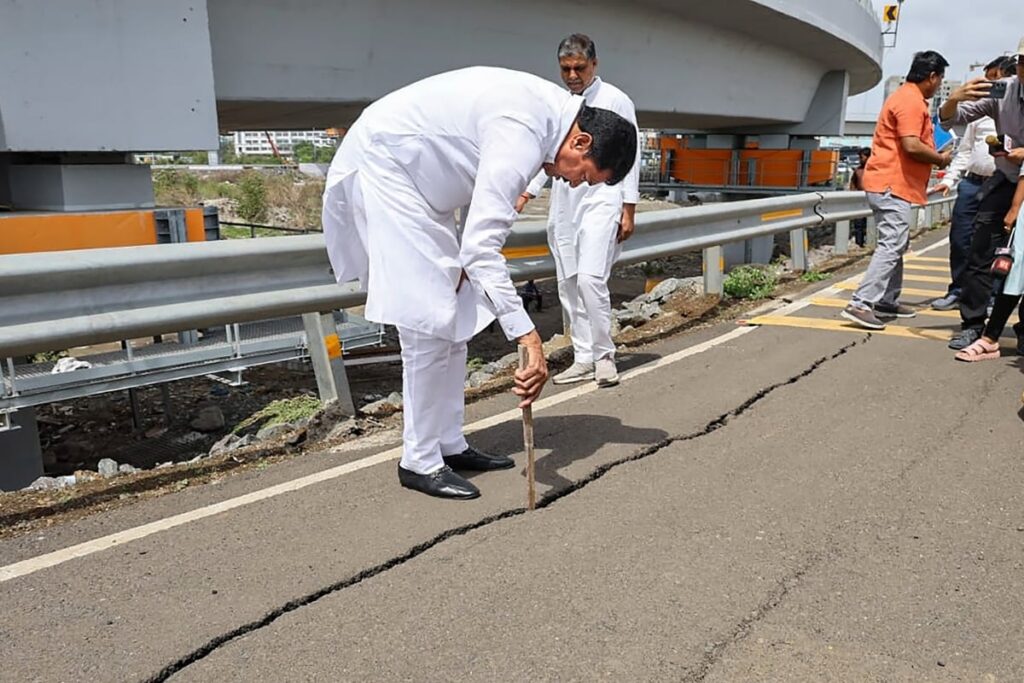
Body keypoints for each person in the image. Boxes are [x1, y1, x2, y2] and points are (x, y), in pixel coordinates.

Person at [321, 67, 637, 500]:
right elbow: (481, 248)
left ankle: (449, 443)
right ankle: (419, 460)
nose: (573, 182)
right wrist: (528, 337)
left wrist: (469, 266)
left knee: (457, 315)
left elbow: (482, 214)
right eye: (584, 175)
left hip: (425, 187)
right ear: (581, 142)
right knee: (429, 322)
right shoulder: (523, 132)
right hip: (387, 169)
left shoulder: (547, 122)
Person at [516, 34, 641, 387]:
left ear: (594, 65)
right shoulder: (560, 105)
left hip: (603, 196)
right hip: (565, 200)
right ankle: (583, 356)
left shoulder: (616, 100)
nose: (572, 75)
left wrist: (628, 208)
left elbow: (630, 157)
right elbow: (547, 154)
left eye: (579, 68)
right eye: (566, 69)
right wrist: (526, 192)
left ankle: (604, 356)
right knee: (569, 283)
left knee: (590, 280)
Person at [842, 51, 953, 330]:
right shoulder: (910, 101)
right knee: (892, 243)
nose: (939, 85)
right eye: (940, 79)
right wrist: (940, 159)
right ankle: (861, 303)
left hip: (890, 183)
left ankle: (887, 300)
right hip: (892, 184)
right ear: (932, 77)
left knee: (896, 243)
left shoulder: (906, 97)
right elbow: (911, 145)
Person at [941, 42, 1024, 351]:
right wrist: (953, 99)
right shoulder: (1003, 89)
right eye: (1022, 62)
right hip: (1006, 179)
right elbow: (953, 119)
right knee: (980, 251)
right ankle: (973, 324)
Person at [926, 56, 1006, 311]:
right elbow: (965, 151)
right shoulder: (979, 112)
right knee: (961, 240)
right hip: (972, 184)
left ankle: (991, 296)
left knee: (996, 246)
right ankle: (958, 290)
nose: (992, 85)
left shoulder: (1015, 112)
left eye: (997, 79)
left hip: (1002, 184)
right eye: (989, 80)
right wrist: (950, 180)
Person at [848, 147, 871, 247]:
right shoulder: (858, 170)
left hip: (872, 200)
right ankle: (859, 243)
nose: (860, 160)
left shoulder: (876, 170)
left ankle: (870, 241)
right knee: (859, 223)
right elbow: (853, 184)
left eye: (861, 157)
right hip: (860, 201)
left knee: (871, 223)